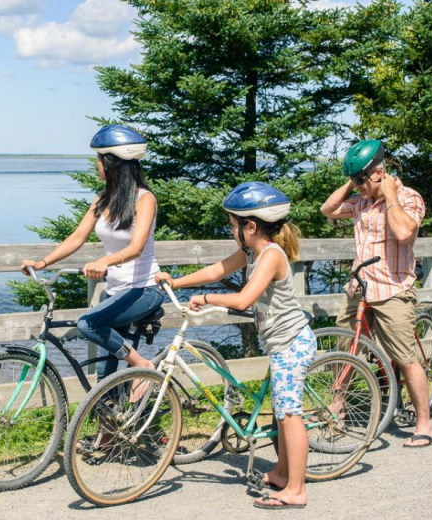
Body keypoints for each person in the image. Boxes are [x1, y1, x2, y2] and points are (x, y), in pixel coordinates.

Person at [156, 182, 314, 510]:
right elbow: (218, 269)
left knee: (289, 415)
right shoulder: (253, 251)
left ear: (251, 227)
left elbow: (244, 299)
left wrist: (206, 298)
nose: (231, 230)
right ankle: (283, 473)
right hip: (281, 342)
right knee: (283, 410)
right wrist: (178, 281)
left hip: (292, 343)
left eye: (233, 225)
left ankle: (296, 489)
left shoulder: (270, 255)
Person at [21, 125, 164, 382]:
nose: (96, 165)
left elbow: (137, 247)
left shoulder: (145, 200)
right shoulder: (102, 200)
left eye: (99, 159)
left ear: (112, 163)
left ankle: (144, 367)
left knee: (88, 323)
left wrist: (105, 260)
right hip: (116, 291)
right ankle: (113, 419)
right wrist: (42, 263)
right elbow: (77, 237)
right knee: (105, 377)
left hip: (143, 289)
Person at [321, 139, 432, 448]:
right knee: (345, 349)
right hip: (360, 288)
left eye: (361, 180)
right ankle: (337, 410)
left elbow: (403, 232)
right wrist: (353, 181)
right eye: (354, 180)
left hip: (392, 291)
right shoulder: (360, 201)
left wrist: (390, 195)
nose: (356, 186)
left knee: (405, 357)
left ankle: (425, 424)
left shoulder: (409, 198)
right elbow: (327, 209)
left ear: (379, 174)